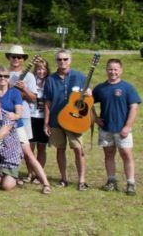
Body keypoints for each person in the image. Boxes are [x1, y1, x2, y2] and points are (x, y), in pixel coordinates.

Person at [42, 49, 88, 189]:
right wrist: (46, 123)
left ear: (70, 60)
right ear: (56, 61)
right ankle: (64, 178)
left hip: (74, 121)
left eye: (65, 59)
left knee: (78, 149)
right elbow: (48, 102)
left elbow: (87, 100)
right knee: (60, 149)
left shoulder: (80, 77)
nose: (62, 62)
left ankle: (81, 180)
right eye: (59, 59)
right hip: (56, 120)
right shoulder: (50, 79)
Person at [93, 58, 139, 195]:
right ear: (106, 70)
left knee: (126, 155)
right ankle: (111, 181)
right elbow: (87, 103)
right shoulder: (100, 88)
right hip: (106, 128)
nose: (112, 72)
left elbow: (134, 108)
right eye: (110, 69)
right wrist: (95, 118)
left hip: (122, 129)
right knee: (108, 154)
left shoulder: (127, 88)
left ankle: (130, 183)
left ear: (121, 70)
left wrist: (127, 126)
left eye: (115, 69)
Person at [21, 57, 50, 179]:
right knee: (30, 148)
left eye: (43, 69)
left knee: (42, 147)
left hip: (43, 118)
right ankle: (30, 173)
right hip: (31, 116)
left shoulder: (50, 82)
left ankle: (39, 174)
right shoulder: (30, 80)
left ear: (47, 70)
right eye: (38, 69)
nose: (41, 71)